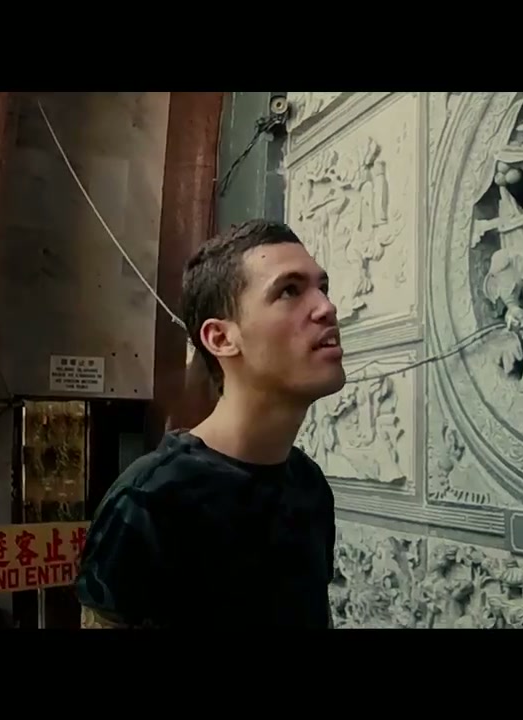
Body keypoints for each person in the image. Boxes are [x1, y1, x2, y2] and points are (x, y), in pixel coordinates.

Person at [75, 219, 346, 628]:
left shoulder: (309, 486)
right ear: (220, 339)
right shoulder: (149, 500)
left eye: (322, 287)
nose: (326, 307)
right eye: (289, 291)